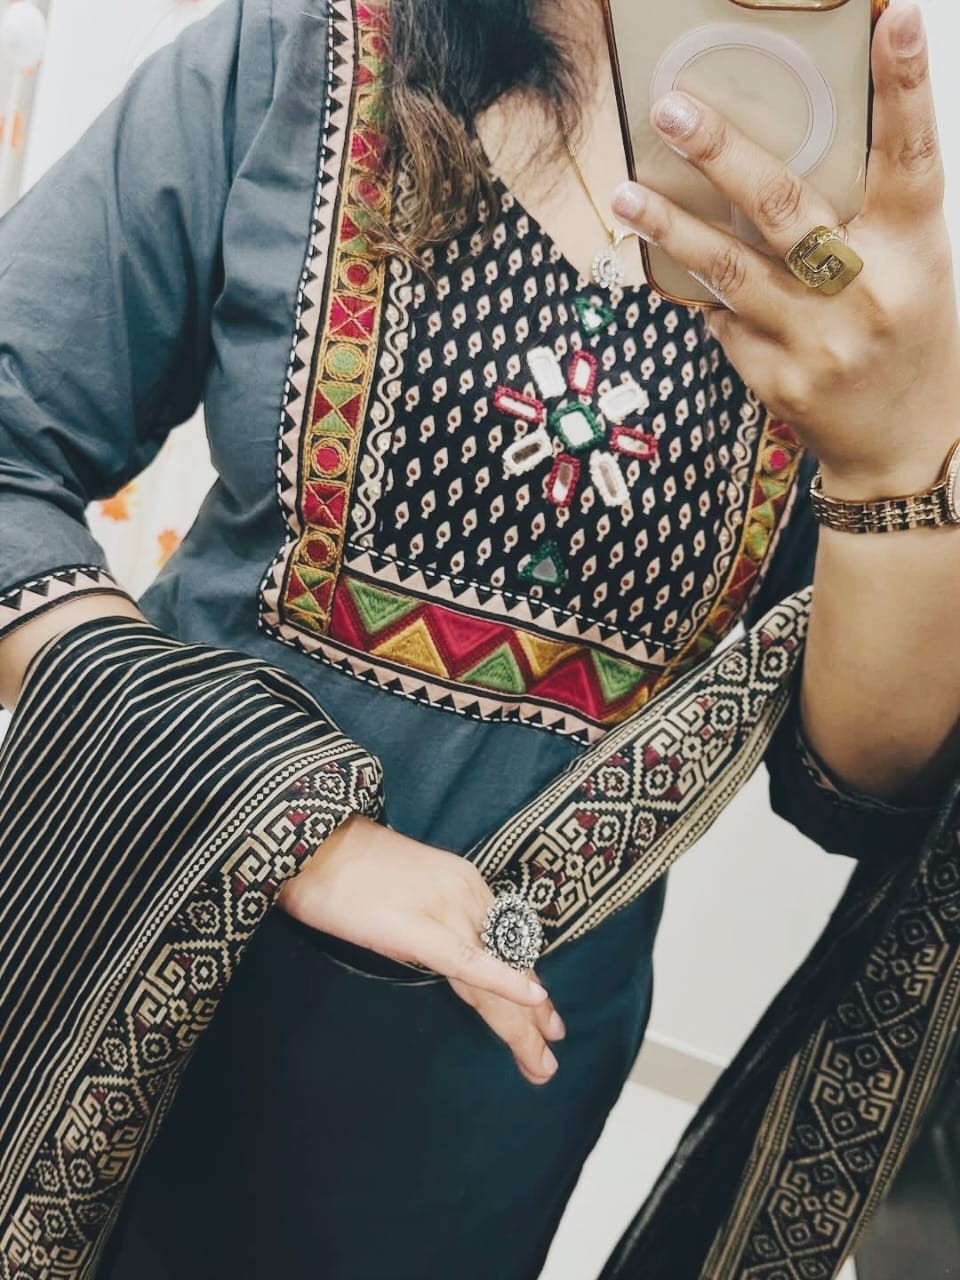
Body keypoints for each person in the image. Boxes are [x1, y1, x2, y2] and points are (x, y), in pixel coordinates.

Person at [0, 0, 956, 1276]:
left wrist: (898, 456)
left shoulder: (846, 249)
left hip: (481, 1105)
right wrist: (288, 820)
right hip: (115, 965)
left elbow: (857, 786)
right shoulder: (308, 56)